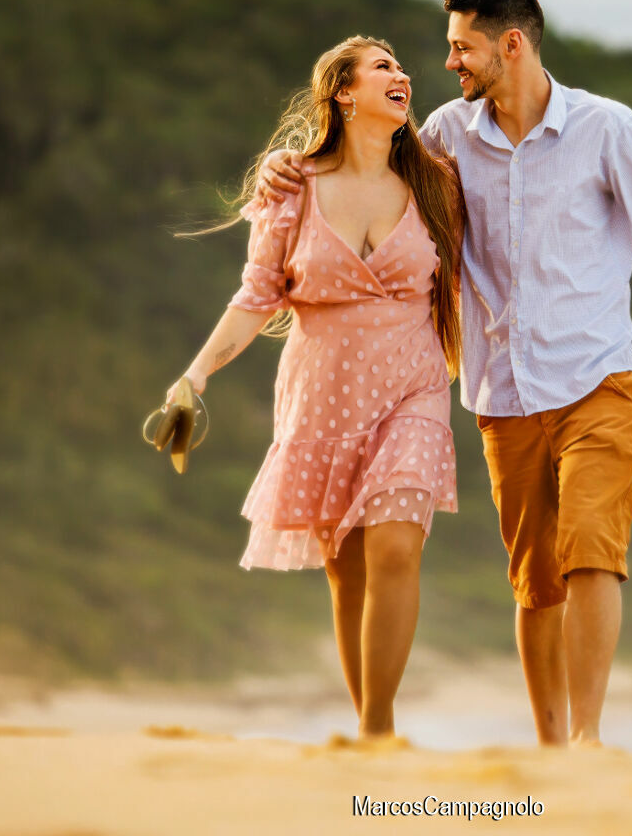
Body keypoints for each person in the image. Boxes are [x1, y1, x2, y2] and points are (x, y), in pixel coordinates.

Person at [261, 0, 632, 748]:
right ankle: (551, 744)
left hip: (597, 380)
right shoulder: (446, 138)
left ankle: (586, 738)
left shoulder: (605, 129)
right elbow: (360, 172)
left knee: (593, 553)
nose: (449, 63)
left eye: (462, 47)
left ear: (510, 44)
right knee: (536, 582)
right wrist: (286, 168)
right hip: (502, 393)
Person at [168, 36, 466, 741]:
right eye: (383, 67)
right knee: (348, 573)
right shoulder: (291, 187)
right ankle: (370, 732)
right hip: (322, 398)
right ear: (343, 92)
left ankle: (378, 728)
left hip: (413, 392)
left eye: (400, 66)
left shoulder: (438, 181)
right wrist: (195, 373)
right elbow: (255, 298)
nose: (402, 75)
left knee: (395, 546)